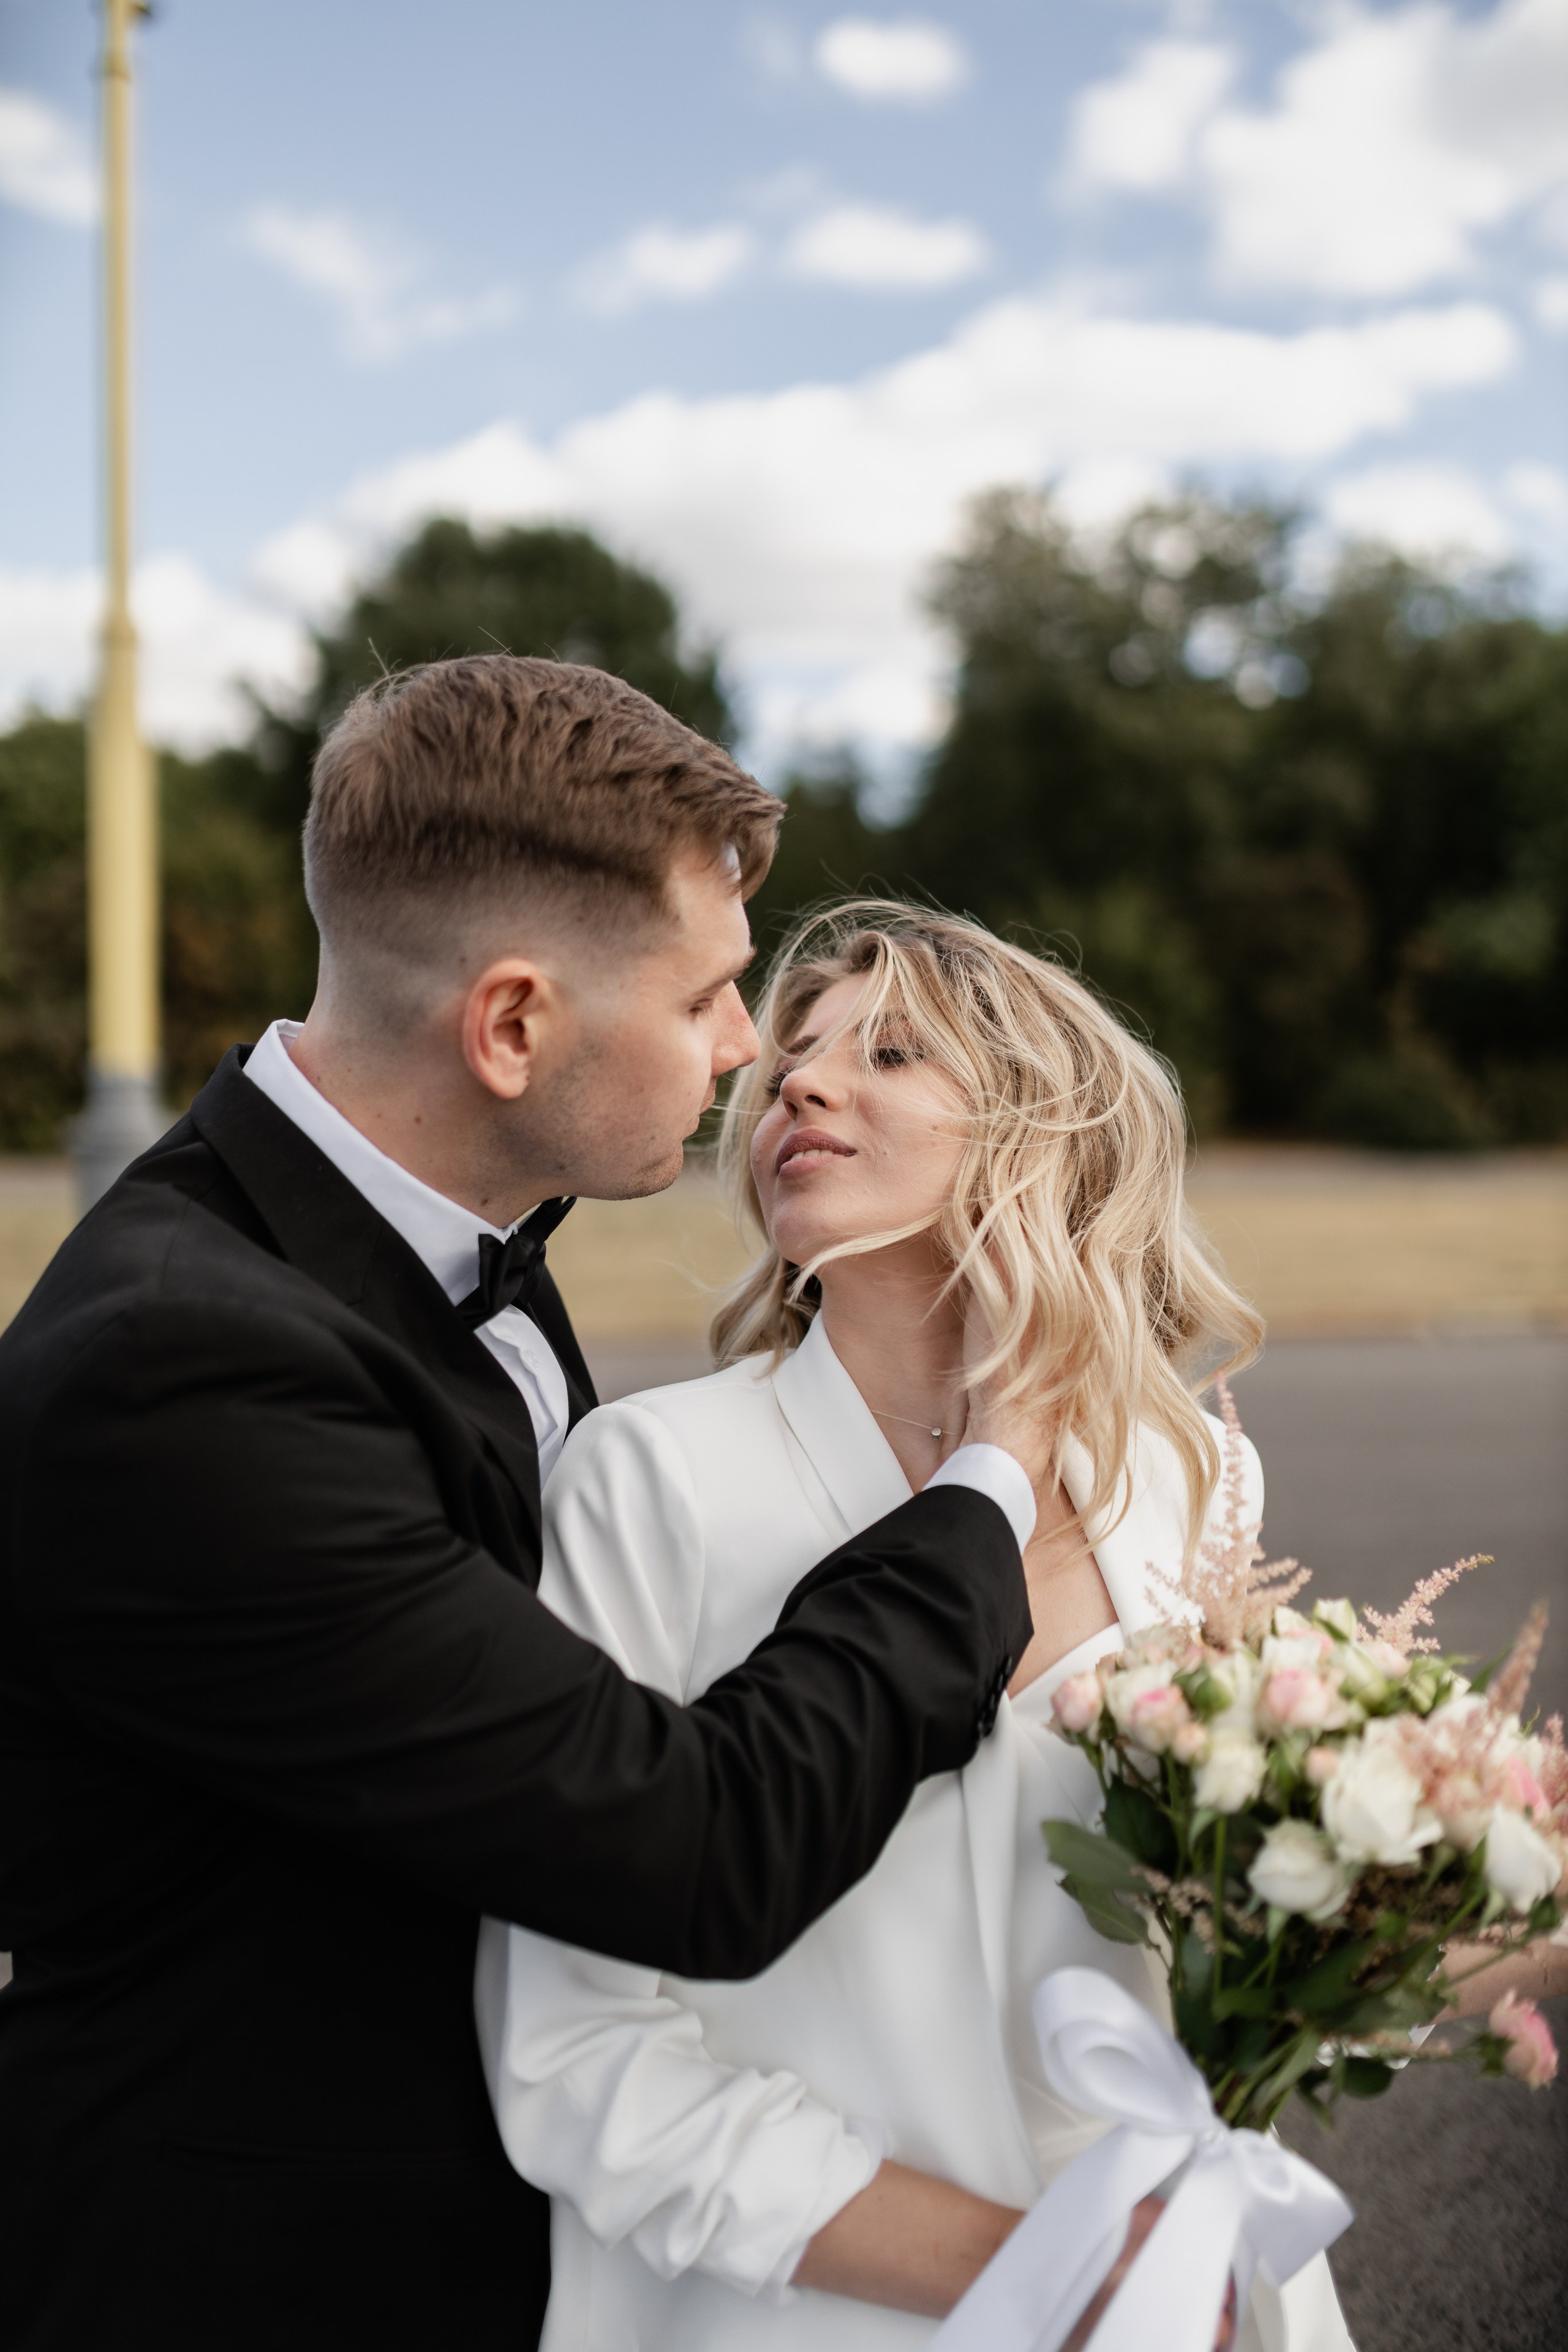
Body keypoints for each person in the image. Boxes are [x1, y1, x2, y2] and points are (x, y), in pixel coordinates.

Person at [0, 665, 1046, 2352]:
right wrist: (995, 1478)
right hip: (258, 2272)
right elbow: (683, 1842)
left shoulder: (433, 1228)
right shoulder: (182, 1371)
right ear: (510, 1027)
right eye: (709, 997)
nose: (745, 1051)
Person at [480, 903, 1359, 2351]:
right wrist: (1037, 2275)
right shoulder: (647, 1481)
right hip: (815, 2311)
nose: (796, 1082)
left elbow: (1253, 1935)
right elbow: (577, 2054)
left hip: (1197, 2288)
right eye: (793, 1058)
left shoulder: (1186, 1472)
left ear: (1040, 1133)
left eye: (887, 1052)